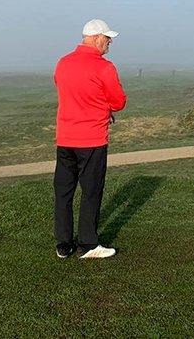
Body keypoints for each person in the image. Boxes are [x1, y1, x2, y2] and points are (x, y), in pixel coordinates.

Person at [52, 19, 127, 259]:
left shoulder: (62, 64)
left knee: (64, 191)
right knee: (91, 191)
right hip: (92, 139)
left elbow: (67, 91)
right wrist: (105, 108)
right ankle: (87, 244)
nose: (110, 42)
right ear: (95, 38)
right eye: (107, 38)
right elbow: (119, 102)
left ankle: (63, 244)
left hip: (65, 138)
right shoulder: (104, 67)